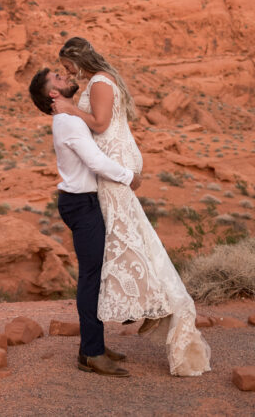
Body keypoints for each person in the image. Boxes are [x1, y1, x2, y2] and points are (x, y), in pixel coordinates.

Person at [54, 37, 211, 377]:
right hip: (114, 168)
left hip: (113, 171)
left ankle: (151, 303)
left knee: (123, 242)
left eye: (68, 67)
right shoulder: (102, 79)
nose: (67, 73)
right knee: (124, 240)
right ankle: (144, 306)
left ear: (79, 61)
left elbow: (100, 124)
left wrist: (70, 110)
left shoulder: (98, 82)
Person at [29, 67, 143, 377]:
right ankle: (91, 353)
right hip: (81, 205)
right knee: (91, 278)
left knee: (97, 274)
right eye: (57, 78)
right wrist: (128, 177)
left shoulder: (69, 118)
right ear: (53, 93)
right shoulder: (67, 122)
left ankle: (93, 347)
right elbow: (94, 161)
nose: (63, 75)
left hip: (83, 203)